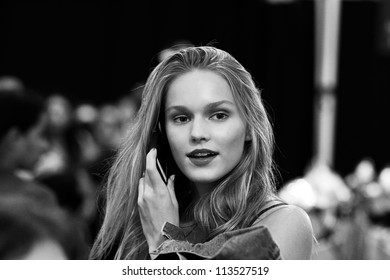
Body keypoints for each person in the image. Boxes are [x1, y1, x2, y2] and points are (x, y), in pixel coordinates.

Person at [90, 46, 313, 260]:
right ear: (161, 133)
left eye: (218, 115)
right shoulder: (136, 224)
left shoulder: (284, 222)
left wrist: (163, 240)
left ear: (249, 127)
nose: (197, 133)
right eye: (181, 118)